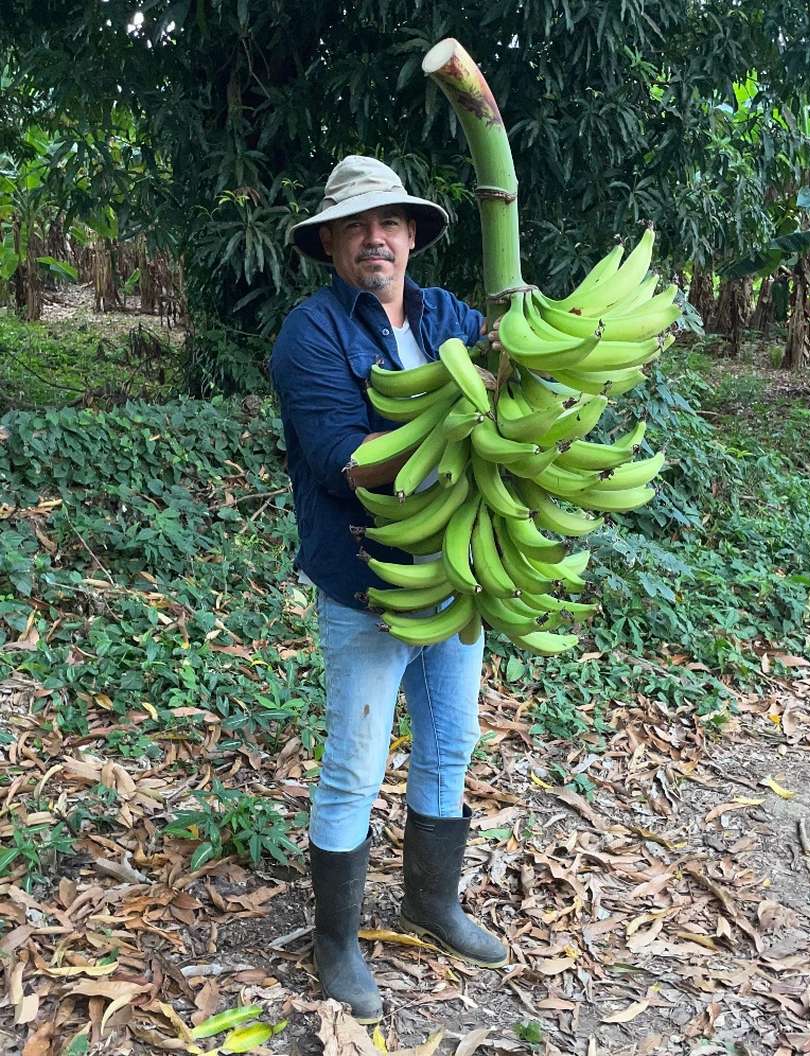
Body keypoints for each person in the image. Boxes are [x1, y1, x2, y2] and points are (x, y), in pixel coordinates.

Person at [269, 156, 507, 1024]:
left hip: (459, 571)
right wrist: (459, 414)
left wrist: (518, 377)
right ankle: (336, 941)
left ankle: (430, 903)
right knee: (355, 766)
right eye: (357, 226)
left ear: (412, 237)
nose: (377, 238)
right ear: (331, 243)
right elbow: (344, 464)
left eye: (391, 223)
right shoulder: (312, 334)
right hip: (364, 580)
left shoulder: (449, 315)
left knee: (450, 745)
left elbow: (521, 383)